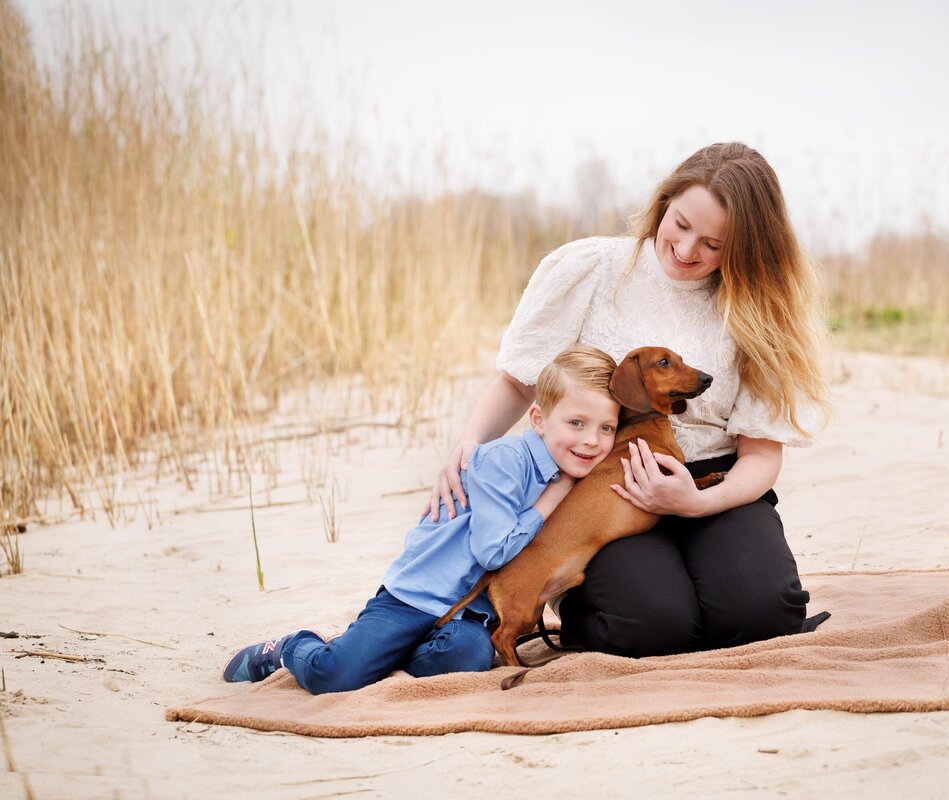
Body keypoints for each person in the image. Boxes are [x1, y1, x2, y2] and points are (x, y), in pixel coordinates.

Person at [424, 142, 830, 658]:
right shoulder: (591, 269)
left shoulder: (758, 308)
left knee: (763, 616)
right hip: (605, 489)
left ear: (746, 248)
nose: (686, 250)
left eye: (713, 243)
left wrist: (697, 501)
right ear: (664, 203)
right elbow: (519, 381)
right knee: (652, 628)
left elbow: (761, 454)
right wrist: (468, 447)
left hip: (714, 486)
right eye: (680, 224)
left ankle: (710, 590)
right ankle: (585, 606)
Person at [222, 345, 620, 693]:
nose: (591, 440)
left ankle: (387, 650)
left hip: (471, 612)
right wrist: (551, 499)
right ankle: (292, 647)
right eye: (576, 423)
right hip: (414, 597)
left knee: (466, 659)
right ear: (538, 420)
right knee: (337, 676)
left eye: (607, 429)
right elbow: (492, 551)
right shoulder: (504, 461)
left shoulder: (567, 474)